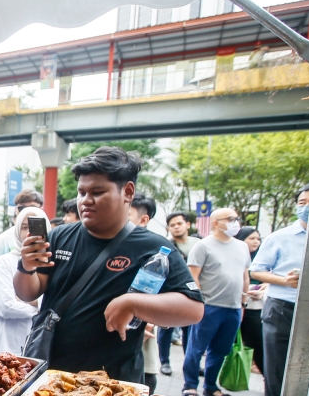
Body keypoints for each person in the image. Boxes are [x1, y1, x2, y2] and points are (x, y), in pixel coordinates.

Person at [16, 147, 204, 382]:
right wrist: (26, 266)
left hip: (113, 384)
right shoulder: (59, 237)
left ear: (127, 191)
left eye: (97, 192)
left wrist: (133, 303)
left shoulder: (154, 249)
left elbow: (194, 309)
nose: (85, 201)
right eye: (81, 192)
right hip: (51, 375)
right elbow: (27, 293)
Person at [250, 182, 309, 396]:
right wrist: (284, 281)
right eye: (301, 203)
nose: (306, 208)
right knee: (276, 366)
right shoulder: (281, 237)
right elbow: (257, 271)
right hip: (282, 306)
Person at [181, 208, 251, 396]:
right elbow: (193, 277)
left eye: (236, 218)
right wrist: (199, 302)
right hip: (209, 306)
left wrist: (243, 303)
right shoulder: (203, 246)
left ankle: (211, 385)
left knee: (221, 349)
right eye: (229, 219)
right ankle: (190, 385)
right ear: (215, 223)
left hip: (234, 307)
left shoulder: (242, 247)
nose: (234, 222)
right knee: (196, 348)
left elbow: (245, 275)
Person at [0, 207, 48, 354]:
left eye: (34, 228)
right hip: (6, 338)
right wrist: (41, 308)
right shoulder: (5, 261)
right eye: (24, 227)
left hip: (38, 339)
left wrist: (23, 300)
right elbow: (7, 307)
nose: (29, 233)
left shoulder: (50, 262)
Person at [0, 189, 45, 313]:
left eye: (33, 207)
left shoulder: (51, 239)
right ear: (15, 210)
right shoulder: (4, 239)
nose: (27, 212)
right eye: (22, 208)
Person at [127, 192, 164, 393]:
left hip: (141, 324)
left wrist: (148, 321)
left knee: (144, 378)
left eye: (128, 214)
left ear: (143, 219)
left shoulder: (156, 250)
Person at [157, 211, 200, 375]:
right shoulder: (166, 246)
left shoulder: (198, 244)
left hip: (193, 293)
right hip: (170, 293)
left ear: (187, 225)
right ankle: (165, 362)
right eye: (172, 225)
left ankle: (190, 363)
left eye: (179, 224)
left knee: (190, 331)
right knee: (166, 329)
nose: (176, 227)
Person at [235, 226, 266, 375]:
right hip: (234, 303)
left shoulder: (264, 256)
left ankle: (267, 375)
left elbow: (273, 277)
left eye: (258, 239)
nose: (256, 242)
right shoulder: (235, 254)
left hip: (255, 306)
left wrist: (264, 287)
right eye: (252, 238)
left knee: (256, 342)